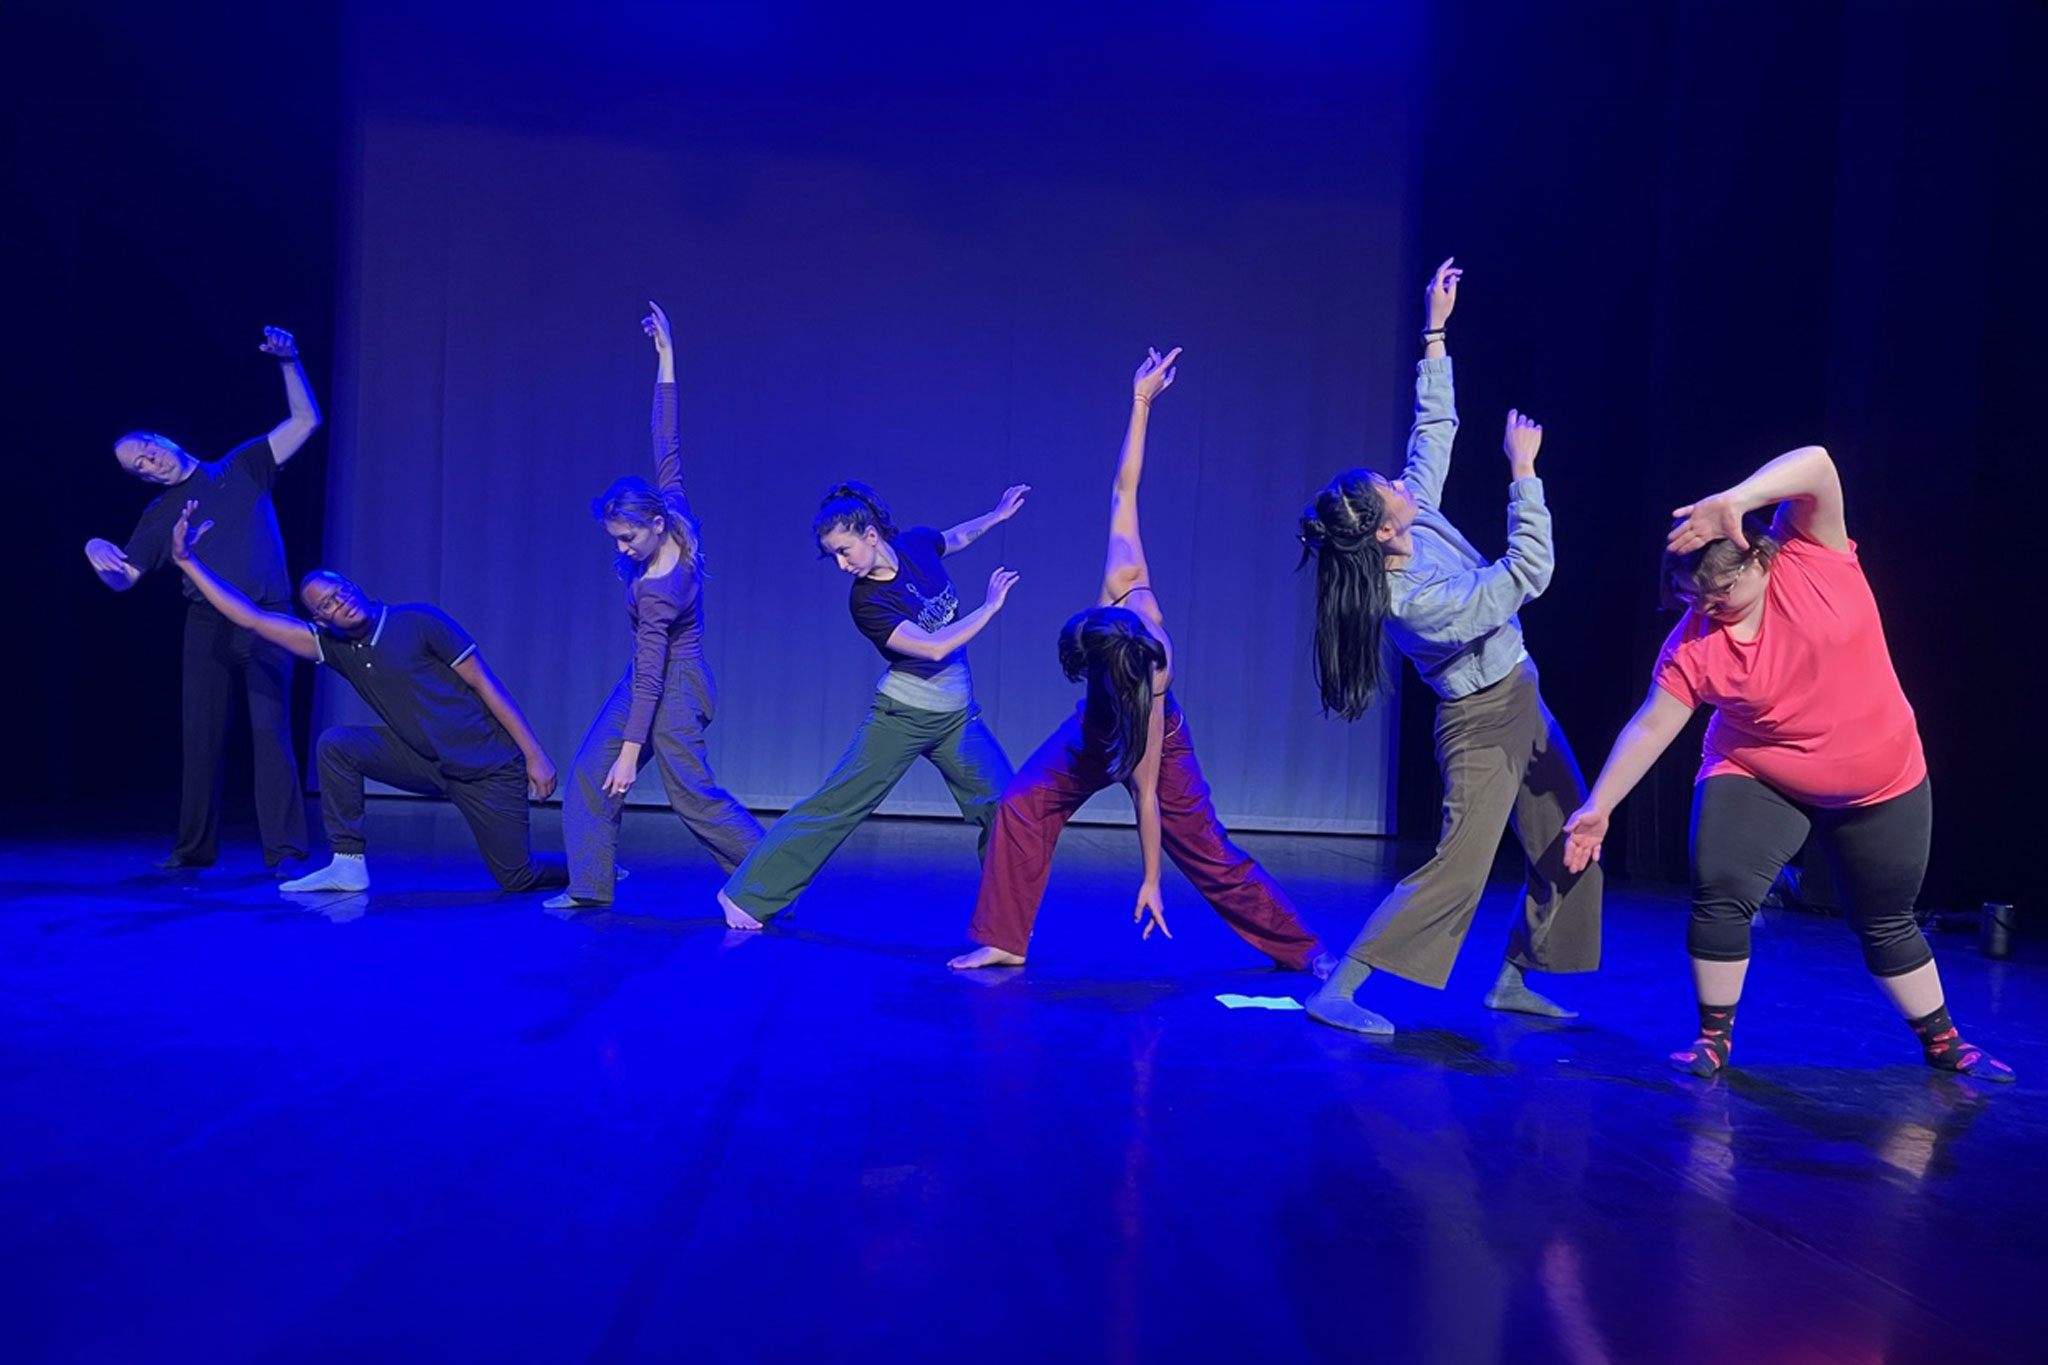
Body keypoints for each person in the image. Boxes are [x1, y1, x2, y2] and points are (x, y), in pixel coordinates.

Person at [1561, 445, 2012, 1080]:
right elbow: (1652, 725)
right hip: (1759, 770)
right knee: (1720, 890)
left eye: (1722, 591)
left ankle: (1943, 1042)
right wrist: (1599, 806)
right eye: (1694, 599)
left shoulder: (1810, 556)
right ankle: (1713, 1040)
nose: (1709, 608)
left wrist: (1736, 499)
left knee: (1885, 921)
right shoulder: (1692, 644)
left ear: (1756, 557)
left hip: (1883, 777)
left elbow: (1819, 464)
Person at [949, 349, 1329, 974]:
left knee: (1206, 851)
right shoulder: (1122, 579)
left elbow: (1145, 794)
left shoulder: (1153, 680)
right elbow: (1125, 487)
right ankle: (1006, 940)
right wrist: (1142, 401)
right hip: (1092, 727)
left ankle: (1302, 948)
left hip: (1154, 738)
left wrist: (1151, 880)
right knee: (1022, 804)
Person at [1297, 258, 1602, 1034]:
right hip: (1480, 720)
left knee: (1572, 833)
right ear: (1381, 530)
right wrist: (1524, 474)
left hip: (1522, 688)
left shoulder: (1413, 517)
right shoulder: (1410, 599)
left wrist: (1435, 329)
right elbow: (1525, 574)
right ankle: (1339, 990)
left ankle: (1515, 978)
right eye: (1391, 489)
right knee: (1458, 869)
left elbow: (1433, 431)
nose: (1403, 483)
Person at [163, 500, 568, 895]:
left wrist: (534, 755)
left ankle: (588, 866)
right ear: (321, 620)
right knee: (337, 745)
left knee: (517, 877)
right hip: (423, 761)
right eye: (328, 603)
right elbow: (252, 618)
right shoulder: (335, 647)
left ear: (354, 587)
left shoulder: (417, 621)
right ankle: (347, 864)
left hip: (487, 767)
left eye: (341, 590)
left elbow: (487, 685)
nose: (340, 601)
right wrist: (187, 561)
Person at [716, 479, 1027, 929]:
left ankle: (1006, 920)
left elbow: (954, 537)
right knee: (837, 804)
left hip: (958, 718)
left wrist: (996, 516)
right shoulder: (867, 601)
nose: (842, 564)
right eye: (833, 556)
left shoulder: (916, 546)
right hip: (902, 717)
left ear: (871, 535)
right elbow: (934, 647)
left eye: (845, 551)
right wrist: (989, 608)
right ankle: (745, 895)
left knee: (1006, 805)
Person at [546, 303, 764, 911]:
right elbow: (666, 440)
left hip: (678, 683)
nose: (621, 548)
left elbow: (651, 678)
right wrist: (667, 358)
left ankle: (771, 876)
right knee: (588, 775)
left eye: (627, 538)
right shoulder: (675, 515)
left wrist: (630, 752)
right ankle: (590, 887)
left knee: (689, 792)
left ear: (655, 525)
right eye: (615, 538)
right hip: (652, 678)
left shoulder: (659, 589)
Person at [84, 326, 320, 873]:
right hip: (206, 627)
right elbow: (126, 578)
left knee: (270, 733)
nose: (149, 462)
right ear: (141, 479)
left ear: (163, 439)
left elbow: (304, 422)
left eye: (147, 450)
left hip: (268, 619)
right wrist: (95, 551)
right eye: (138, 467)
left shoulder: (242, 466)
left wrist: (289, 362)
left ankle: (285, 850)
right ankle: (193, 850)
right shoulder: (158, 515)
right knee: (201, 739)